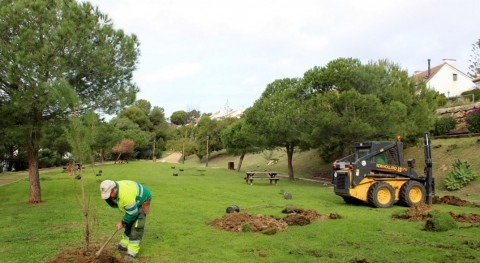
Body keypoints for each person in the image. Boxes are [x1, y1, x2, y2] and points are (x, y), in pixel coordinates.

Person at [100, 180, 152, 261]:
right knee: (128, 223)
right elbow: (126, 210)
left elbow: (133, 213)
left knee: (137, 226)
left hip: (143, 199)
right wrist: (125, 222)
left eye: (109, 195)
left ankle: (132, 252)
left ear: (114, 189)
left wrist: (122, 222)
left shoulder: (125, 195)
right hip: (132, 199)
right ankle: (123, 246)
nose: (109, 198)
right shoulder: (114, 189)